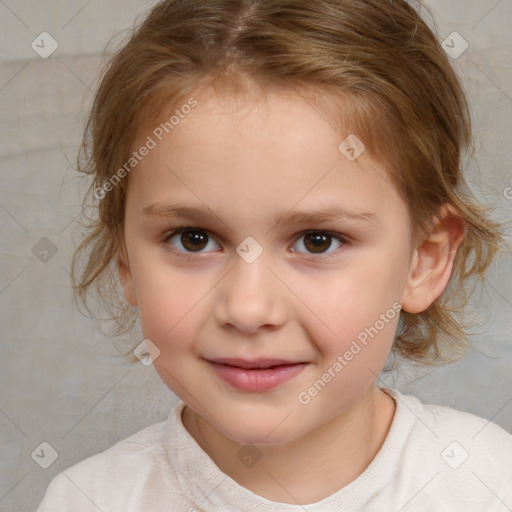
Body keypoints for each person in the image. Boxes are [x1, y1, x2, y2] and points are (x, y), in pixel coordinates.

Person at [37, 0, 512, 510]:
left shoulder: (490, 482)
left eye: (317, 241)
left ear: (424, 259)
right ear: (125, 257)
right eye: (194, 239)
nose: (247, 309)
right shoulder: (88, 500)